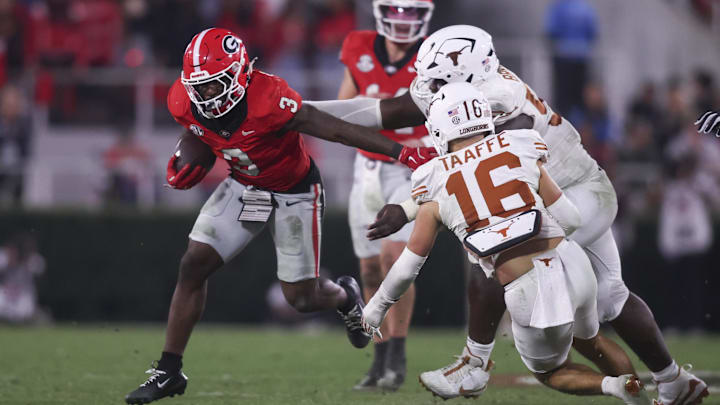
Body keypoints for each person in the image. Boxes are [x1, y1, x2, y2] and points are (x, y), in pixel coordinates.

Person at [307, 24, 709, 405]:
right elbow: (380, 112)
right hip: (564, 188)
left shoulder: (500, 101)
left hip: (570, 191)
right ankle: (674, 382)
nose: (427, 88)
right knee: (609, 297)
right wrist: (301, 109)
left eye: (437, 80)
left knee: (494, 247)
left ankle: (474, 363)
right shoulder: (469, 88)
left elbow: (481, 170)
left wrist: (410, 207)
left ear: (466, 76)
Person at [124, 27, 437, 405]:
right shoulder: (182, 100)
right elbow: (202, 132)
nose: (205, 95)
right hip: (244, 185)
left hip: (295, 191)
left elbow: (335, 129)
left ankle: (344, 297)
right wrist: (191, 150)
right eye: (199, 86)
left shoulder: (270, 97)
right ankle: (169, 371)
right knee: (193, 264)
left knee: (302, 299)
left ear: (241, 74)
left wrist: (399, 152)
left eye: (214, 84)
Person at [361, 82, 651, 404]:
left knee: (552, 372)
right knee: (594, 341)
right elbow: (570, 219)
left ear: (440, 128)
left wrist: (376, 309)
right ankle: (638, 392)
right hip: (574, 265)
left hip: (528, 287)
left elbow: (407, 268)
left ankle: (613, 387)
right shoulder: (519, 145)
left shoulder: (434, 178)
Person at [337, 0, 434, 391]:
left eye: (412, 12)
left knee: (394, 258)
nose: (403, 19)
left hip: (411, 166)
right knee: (369, 270)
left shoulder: (434, 52)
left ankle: (397, 354)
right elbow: (343, 106)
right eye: (397, 10)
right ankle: (379, 360)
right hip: (368, 167)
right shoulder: (358, 45)